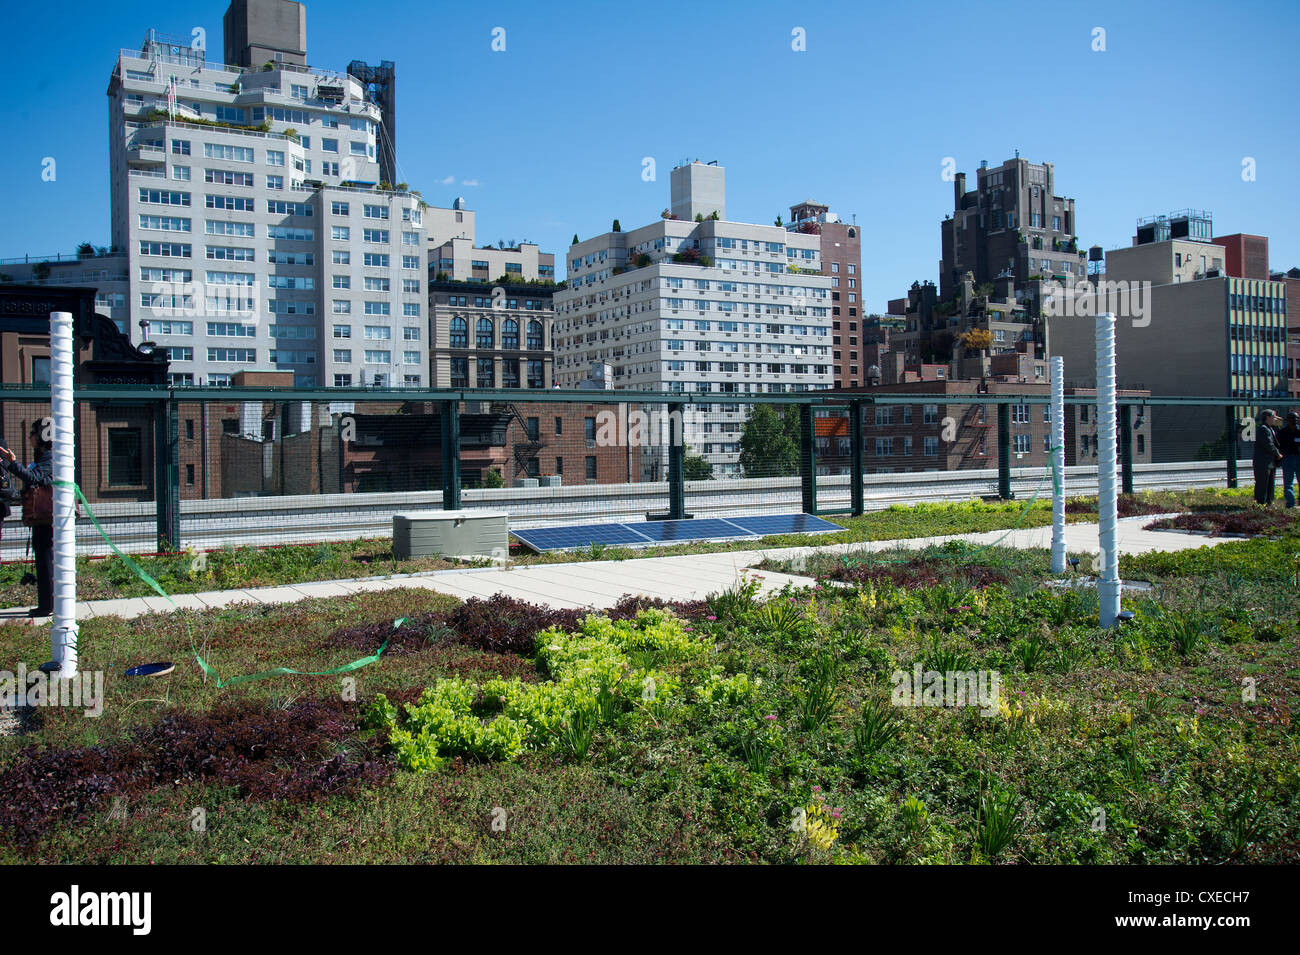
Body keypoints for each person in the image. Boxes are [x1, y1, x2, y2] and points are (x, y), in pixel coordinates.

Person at [0, 421, 53, 617]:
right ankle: (46, 603)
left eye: (33, 433)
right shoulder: (43, 456)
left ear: (42, 437)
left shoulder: (48, 457)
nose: (30, 437)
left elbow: (34, 478)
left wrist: (12, 463)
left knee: (46, 560)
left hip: (46, 517)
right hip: (42, 517)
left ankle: (47, 605)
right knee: (43, 558)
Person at [1252, 409, 1283, 507]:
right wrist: (1277, 454)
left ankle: (1269, 503)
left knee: (1269, 485)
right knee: (1262, 485)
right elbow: (1269, 444)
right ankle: (1261, 504)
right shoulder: (1263, 429)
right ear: (1268, 418)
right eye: (1274, 417)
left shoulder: (1269, 428)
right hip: (1263, 463)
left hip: (1270, 463)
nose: (1275, 419)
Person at [1280, 410, 1300, 509]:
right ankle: (1290, 503)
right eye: (1292, 418)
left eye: (1296, 418)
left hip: (1299, 458)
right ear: (1288, 420)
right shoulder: (1283, 432)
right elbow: (1279, 446)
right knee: (1288, 482)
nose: (1294, 420)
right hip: (1287, 459)